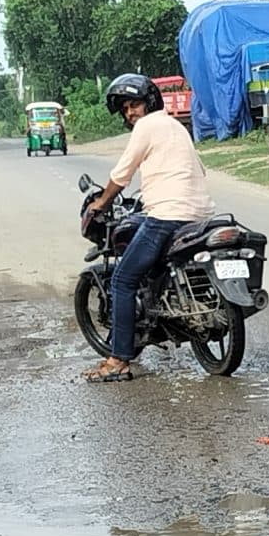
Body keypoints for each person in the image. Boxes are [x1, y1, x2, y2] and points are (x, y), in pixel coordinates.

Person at [83, 73, 219, 383]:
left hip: (168, 216)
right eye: (126, 108)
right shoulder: (176, 126)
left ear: (150, 104)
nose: (131, 113)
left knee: (122, 280)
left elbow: (122, 174)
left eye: (135, 105)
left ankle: (118, 360)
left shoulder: (147, 126)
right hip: (199, 215)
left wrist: (101, 203)